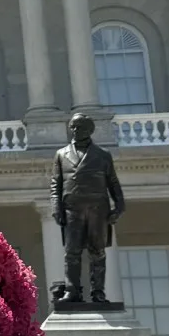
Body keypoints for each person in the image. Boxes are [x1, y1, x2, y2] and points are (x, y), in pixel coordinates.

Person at [52, 112, 125, 308]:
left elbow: (113, 182)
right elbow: (56, 185)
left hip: (97, 209)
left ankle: (98, 292)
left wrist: (119, 206)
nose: (75, 130)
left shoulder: (102, 155)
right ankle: (72, 290)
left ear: (90, 130)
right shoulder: (61, 154)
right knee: (71, 252)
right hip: (72, 209)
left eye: (80, 127)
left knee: (97, 251)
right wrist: (56, 207)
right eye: (73, 127)